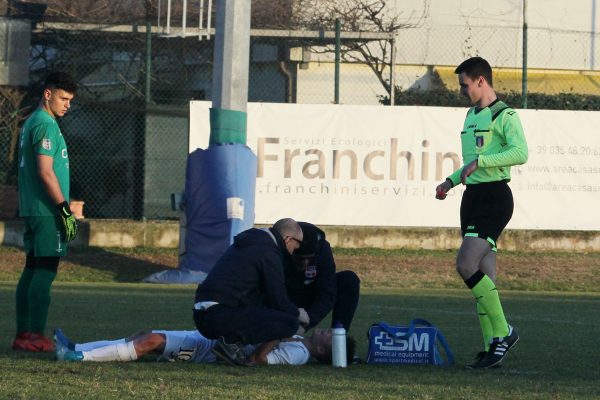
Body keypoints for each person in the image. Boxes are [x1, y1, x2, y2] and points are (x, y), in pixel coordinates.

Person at [435, 57, 528, 369]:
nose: (461, 90)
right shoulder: (470, 115)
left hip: (495, 198)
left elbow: (521, 153)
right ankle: (492, 346)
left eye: (464, 84)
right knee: (484, 275)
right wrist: (450, 180)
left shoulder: (505, 115)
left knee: (465, 264)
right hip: (472, 197)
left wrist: (481, 163)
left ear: (480, 81)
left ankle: (504, 332)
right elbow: (473, 161)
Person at [12, 72, 79, 352]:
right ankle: (36, 336)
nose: (67, 105)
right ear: (48, 94)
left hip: (34, 209)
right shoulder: (45, 124)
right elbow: (45, 171)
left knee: (31, 269)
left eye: (70, 100)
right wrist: (64, 210)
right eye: (63, 98)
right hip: (46, 212)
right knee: (45, 271)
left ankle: (24, 335)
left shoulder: (31, 123)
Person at [193, 218, 306, 366]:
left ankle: (231, 344)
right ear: (288, 239)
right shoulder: (268, 252)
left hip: (203, 314)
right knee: (290, 322)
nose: (292, 253)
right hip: (218, 315)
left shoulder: (250, 243)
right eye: (295, 248)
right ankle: (230, 343)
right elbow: (278, 299)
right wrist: (299, 314)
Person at [53, 327, 356, 367]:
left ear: (321, 352)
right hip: (210, 336)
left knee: (151, 342)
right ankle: (79, 345)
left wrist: (273, 335)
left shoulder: (299, 353)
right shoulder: (301, 337)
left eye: (331, 337)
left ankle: (79, 357)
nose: (328, 331)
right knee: (146, 334)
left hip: (208, 351)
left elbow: (257, 361)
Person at [285, 222, 360, 335]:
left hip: (308, 294)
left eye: (309, 259)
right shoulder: (275, 251)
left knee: (349, 280)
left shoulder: (322, 249)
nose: (305, 264)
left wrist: (306, 323)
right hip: (282, 297)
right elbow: (272, 291)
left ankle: (337, 340)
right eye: (300, 259)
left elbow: (327, 294)